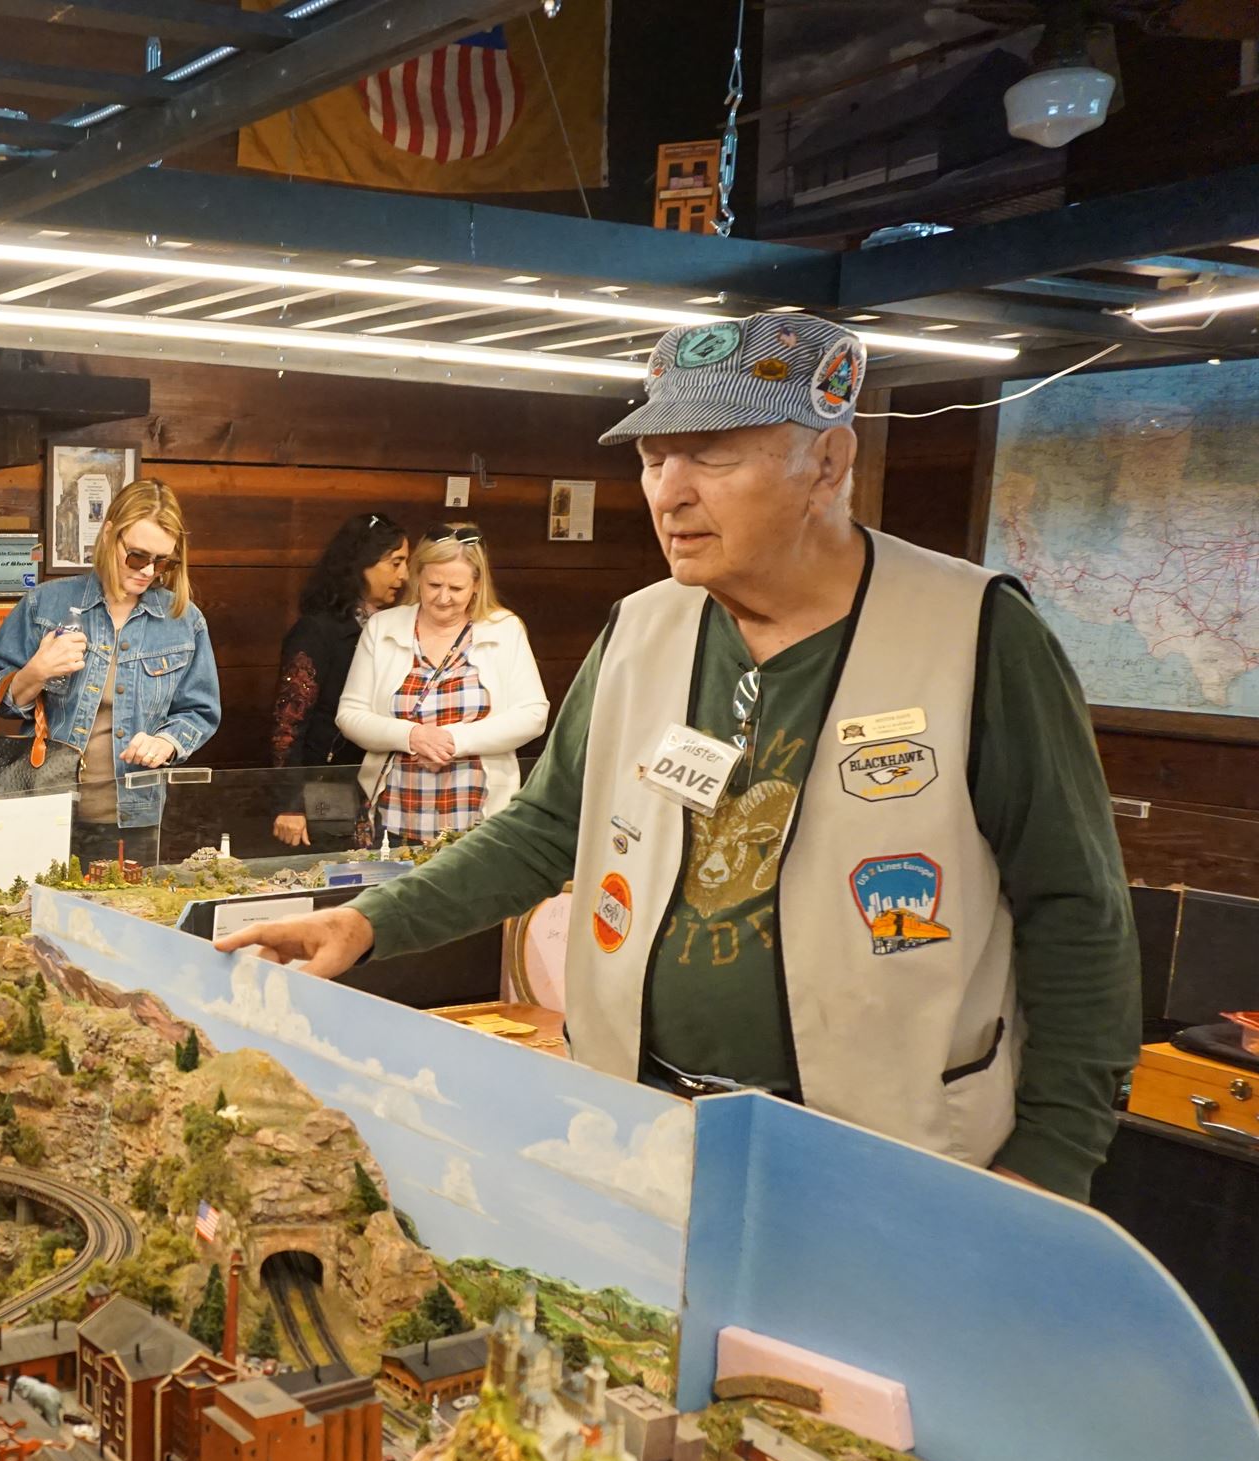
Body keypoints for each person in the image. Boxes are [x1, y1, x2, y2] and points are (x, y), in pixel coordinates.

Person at [219, 313, 1136, 1199]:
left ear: (829, 458)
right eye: (655, 457)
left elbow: (1076, 909)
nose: (669, 490)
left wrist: (1053, 1162)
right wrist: (372, 922)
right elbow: (545, 829)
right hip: (640, 1132)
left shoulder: (978, 635)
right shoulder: (641, 626)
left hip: (887, 1160)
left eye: (713, 454)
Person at [0, 479, 221, 869]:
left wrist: (167, 743)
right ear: (109, 534)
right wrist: (36, 671)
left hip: (132, 814)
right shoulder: (46, 603)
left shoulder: (183, 620)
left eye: (163, 562)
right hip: (42, 806)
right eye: (138, 556)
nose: (149, 572)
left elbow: (200, 711)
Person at [336, 522, 549, 848]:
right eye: (434, 584)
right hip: (393, 820)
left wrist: (452, 740)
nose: (444, 598)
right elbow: (349, 715)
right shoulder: (383, 628)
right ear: (417, 575)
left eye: (457, 588)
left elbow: (533, 714)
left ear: (477, 585)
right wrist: (413, 737)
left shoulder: (504, 629)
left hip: (479, 820)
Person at [270, 511, 409, 851]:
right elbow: (288, 725)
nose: (404, 575)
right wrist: (290, 803)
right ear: (362, 564)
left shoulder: (400, 627)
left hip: (386, 787)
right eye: (395, 563)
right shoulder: (318, 631)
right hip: (327, 787)